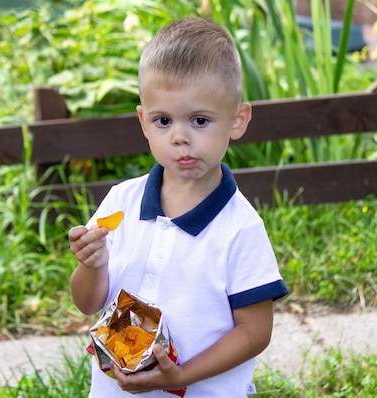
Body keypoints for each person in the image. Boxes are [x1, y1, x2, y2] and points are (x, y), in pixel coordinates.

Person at [68, 17, 289, 397]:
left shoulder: (240, 227)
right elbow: (87, 303)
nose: (180, 137)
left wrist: (182, 376)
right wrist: (93, 264)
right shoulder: (121, 202)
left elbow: (255, 332)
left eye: (200, 120)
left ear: (237, 120)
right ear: (143, 121)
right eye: (163, 120)